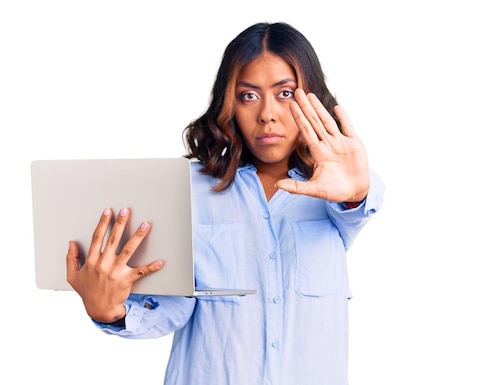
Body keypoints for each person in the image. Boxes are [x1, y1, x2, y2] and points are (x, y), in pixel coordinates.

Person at [66, 21, 385, 385]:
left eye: (285, 94)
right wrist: (109, 310)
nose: (267, 113)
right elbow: (174, 309)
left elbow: (362, 202)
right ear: (229, 103)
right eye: (249, 95)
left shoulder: (337, 198)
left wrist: (356, 192)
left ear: (311, 98)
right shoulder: (186, 190)